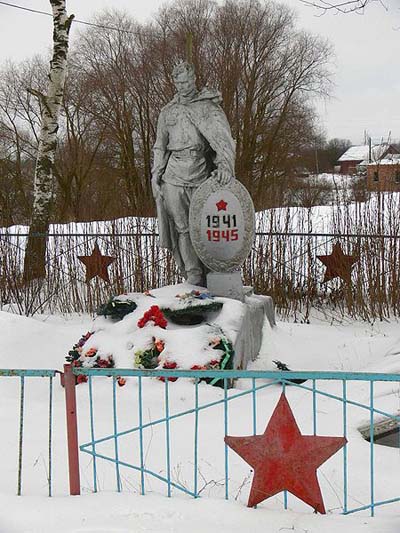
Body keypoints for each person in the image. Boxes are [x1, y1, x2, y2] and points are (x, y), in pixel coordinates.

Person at [151, 61, 236, 285]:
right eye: (178, 82)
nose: (183, 85)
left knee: (205, 224)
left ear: (194, 78)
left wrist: (224, 166)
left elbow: (222, 140)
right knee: (182, 227)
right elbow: (160, 145)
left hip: (200, 171)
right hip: (173, 174)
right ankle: (192, 273)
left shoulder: (207, 107)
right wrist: (155, 175)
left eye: (187, 80)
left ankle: (213, 270)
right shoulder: (167, 112)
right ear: (174, 82)